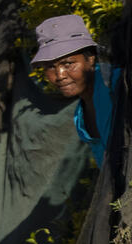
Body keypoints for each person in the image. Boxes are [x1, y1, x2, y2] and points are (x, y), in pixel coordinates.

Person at [31, 14, 121, 167]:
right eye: (50, 67)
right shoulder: (80, 116)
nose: (60, 76)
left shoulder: (116, 83)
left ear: (90, 58)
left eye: (68, 64)